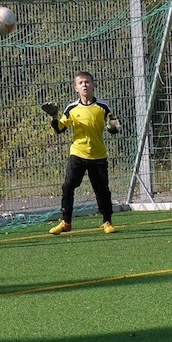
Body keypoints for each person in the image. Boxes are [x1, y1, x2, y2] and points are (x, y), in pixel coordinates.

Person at [42, 71, 122, 234]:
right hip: (78, 154)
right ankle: (66, 222)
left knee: (102, 190)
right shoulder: (72, 108)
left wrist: (113, 126)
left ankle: (107, 221)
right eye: (81, 83)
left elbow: (113, 127)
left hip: (98, 155)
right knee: (68, 186)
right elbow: (59, 129)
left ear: (93, 85)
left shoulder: (103, 106)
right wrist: (54, 117)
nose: (84, 85)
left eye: (87, 82)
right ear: (76, 88)